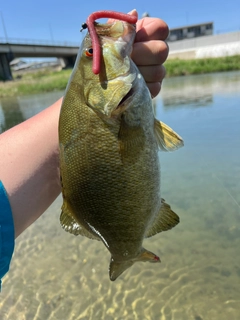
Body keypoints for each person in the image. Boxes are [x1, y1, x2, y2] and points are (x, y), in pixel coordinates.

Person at [0, 10, 169, 289]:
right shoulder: (104, 105)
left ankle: (125, 250)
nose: (94, 49)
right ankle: (126, 251)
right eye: (92, 52)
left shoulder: (101, 105)